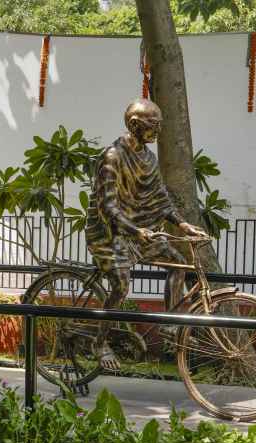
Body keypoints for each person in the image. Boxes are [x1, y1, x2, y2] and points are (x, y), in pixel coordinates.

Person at [85, 98, 209, 371]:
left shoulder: (149, 158)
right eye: (154, 125)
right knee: (121, 283)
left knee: (177, 265)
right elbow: (107, 206)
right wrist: (135, 230)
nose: (158, 131)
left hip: (140, 232)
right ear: (134, 124)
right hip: (109, 233)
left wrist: (182, 224)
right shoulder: (113, 157)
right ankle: (100, 342)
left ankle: (169, 326)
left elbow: (160, 198)